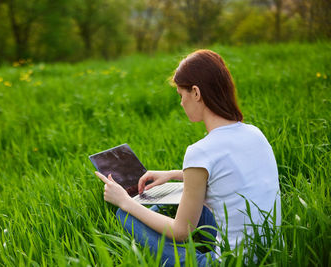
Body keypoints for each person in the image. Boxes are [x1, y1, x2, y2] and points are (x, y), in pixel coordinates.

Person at [95, 49, 281, 266]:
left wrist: (125, 201)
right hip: (271, 251)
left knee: (124, 216)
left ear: (196, 92)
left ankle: (142, 210)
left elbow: (181, 232)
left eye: (181, 95)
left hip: (229, 263)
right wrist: (173, 175)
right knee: (192, 204)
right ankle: (157, 209)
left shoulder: (201, 151)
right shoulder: (255, 133)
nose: (182, 103)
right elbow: (228, 174)